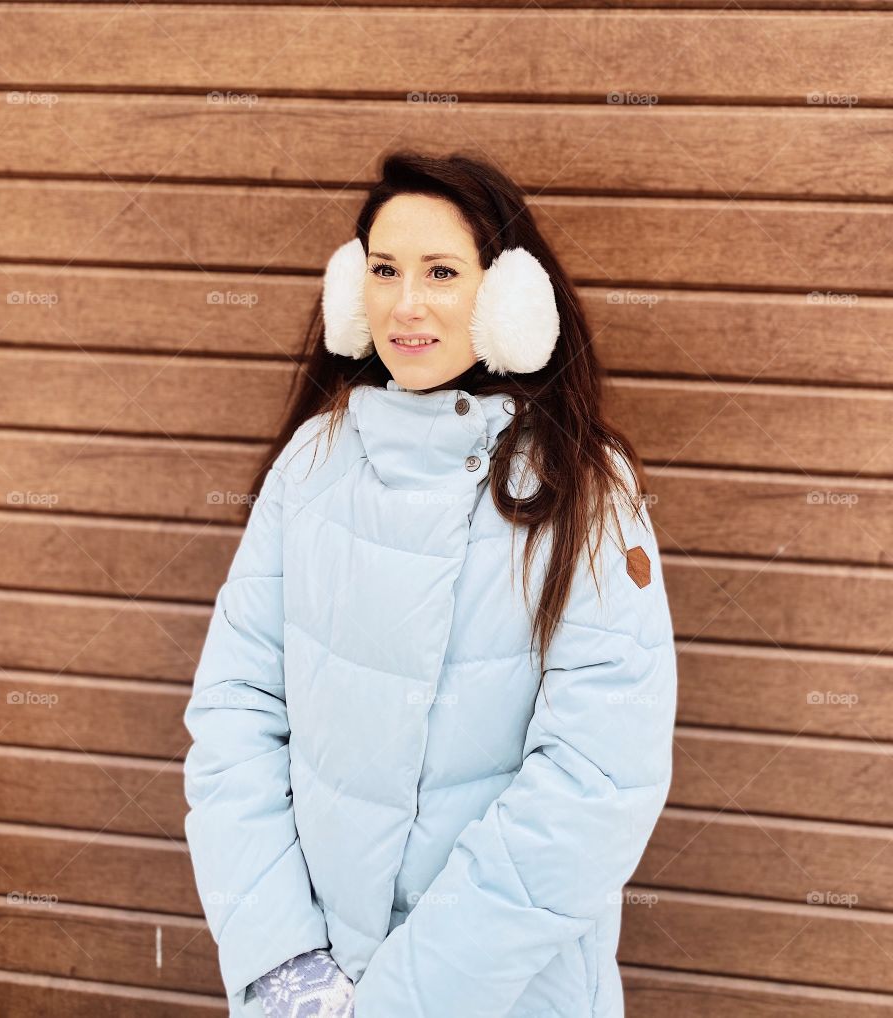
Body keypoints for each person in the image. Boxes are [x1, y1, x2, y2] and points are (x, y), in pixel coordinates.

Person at [183, 151, 678, 1018]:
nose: (404, 304)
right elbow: (234, 709)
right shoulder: (313, 463)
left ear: (509, 297)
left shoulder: (584, 494)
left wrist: (407, 1001)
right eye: (382, 271)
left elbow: (595, 783)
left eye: (441, 272)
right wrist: (282, 966)